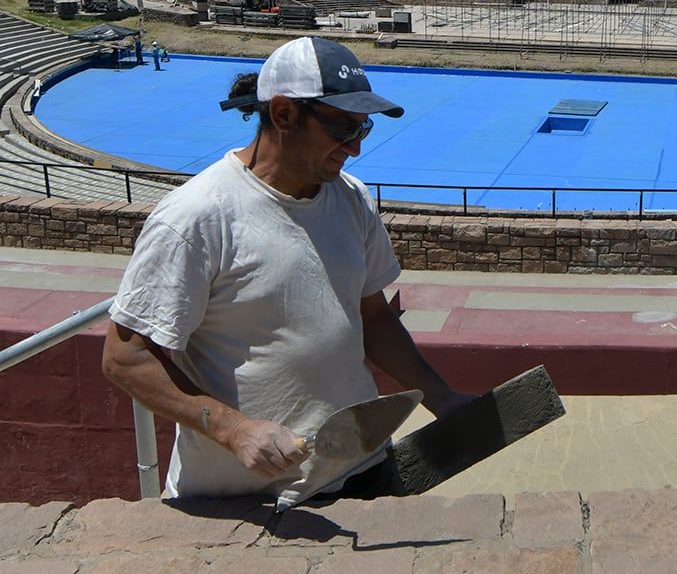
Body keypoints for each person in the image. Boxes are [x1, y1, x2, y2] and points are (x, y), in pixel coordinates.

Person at [102, 37, 474, 509]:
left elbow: (375, 321)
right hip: (241, 501)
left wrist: (443, 399)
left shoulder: (351, 199)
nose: (355, 149)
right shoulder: (197, 217)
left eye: (364, 129)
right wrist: (234, 429)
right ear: (283, 115)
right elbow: (124, 357)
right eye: (342, 129)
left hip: (359, 473)